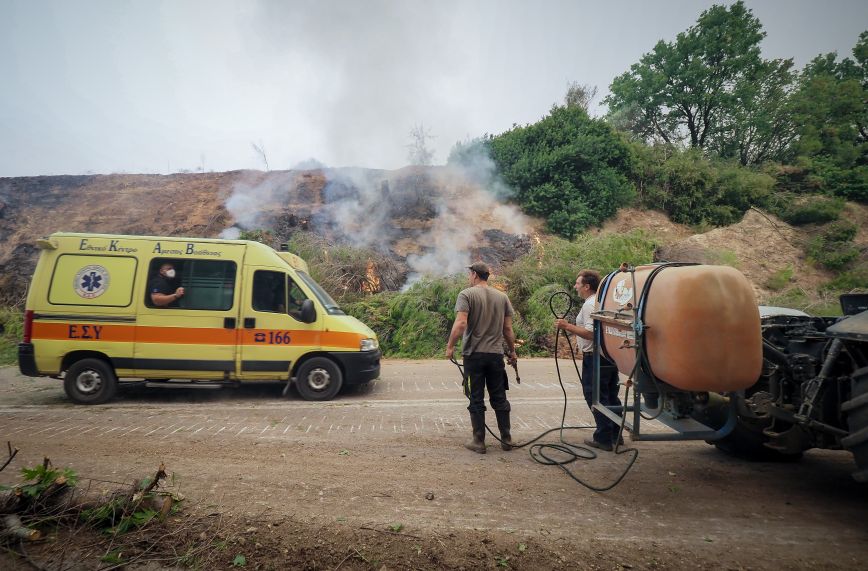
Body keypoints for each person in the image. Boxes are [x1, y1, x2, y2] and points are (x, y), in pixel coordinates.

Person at [446, 262, 518, 454]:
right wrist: (512, 351)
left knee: (476, 398)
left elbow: (461, 323)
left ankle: (479, 441)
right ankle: (506, 439)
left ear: (474, 275)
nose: (469, 277)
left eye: (469, 274)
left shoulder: (466, 294)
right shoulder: (502, 297)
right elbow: (508, 329)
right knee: (499, 397)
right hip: (495, 356)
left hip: (474, 356)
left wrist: (450, 345)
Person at [555, 269, 623, 451]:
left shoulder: (589, 304)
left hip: (595, 357)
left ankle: (603, 438)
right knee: (610, 395)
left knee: (595, 396)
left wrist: (566, 325)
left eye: (578, 283)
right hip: (608, 355)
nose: (575, 286)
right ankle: (616, 434)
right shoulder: (601, 300)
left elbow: (592, 333)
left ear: (586, 286)